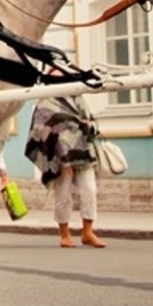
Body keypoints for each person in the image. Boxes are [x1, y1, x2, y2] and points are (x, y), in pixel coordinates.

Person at [24, 94, 106, 248]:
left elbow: (93, 121)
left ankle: (88, 232)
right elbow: (39, 129)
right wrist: (58, 141)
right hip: (60, 156)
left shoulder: (78, 97)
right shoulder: (46, 102)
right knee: (63, 194)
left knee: (89, 189)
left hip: (83, 152)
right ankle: (64, 234)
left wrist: (89, 126)